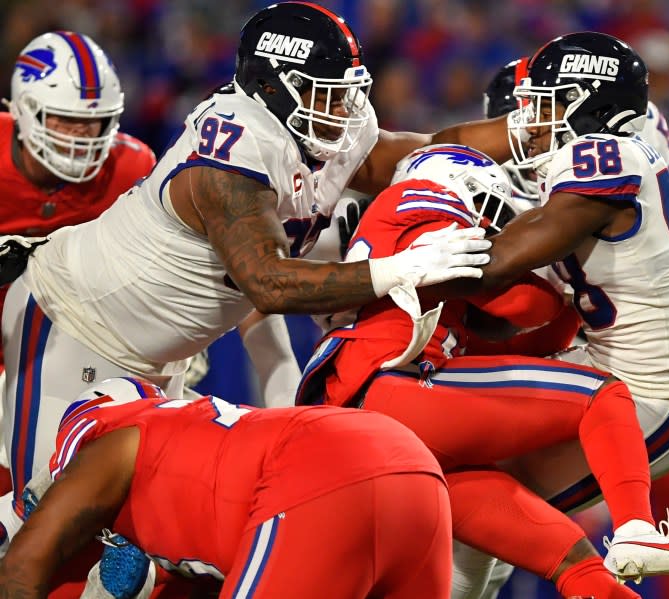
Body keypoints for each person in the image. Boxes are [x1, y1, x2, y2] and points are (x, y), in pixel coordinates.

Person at [0, 1, 503, 526]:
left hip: (160, 352)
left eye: (348, 90)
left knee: (141, 528)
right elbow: (269, 284)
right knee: (37, 522)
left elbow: (420, 152)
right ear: (272, 88)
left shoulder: (317, 132)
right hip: (74, 324)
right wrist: (400, 270)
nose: (343, 108)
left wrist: (531, 133)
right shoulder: (234, 148)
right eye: (325, 91)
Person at [300, 143, 669, 597]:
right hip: (387, 384)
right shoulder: (423, 200)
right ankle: (634, 528)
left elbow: (531, 339)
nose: (500, 223)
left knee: (574, 563)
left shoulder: (399, 220)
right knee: (600, 396)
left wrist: (568, 302)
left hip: (392, 409)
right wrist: (562, 272)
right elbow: (524, 304)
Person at [471, 50, 669, 599]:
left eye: (536, 109)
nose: (521, 130)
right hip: (594, 348)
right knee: (480, 485)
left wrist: (394, 263)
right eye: (514, 115)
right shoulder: (561, 163)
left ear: (582, 107)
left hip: (652, 358)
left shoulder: (608, 157)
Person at [0, 378, 452, 598]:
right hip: (412, 469)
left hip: (320, 475)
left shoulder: (111, 444)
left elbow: (22, 566)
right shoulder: (190, 437)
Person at [0, 30, 157, 502]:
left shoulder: (130, 166)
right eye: (67, 121)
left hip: (66, 350)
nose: (85, 136)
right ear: (26, 112)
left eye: (97, 122)